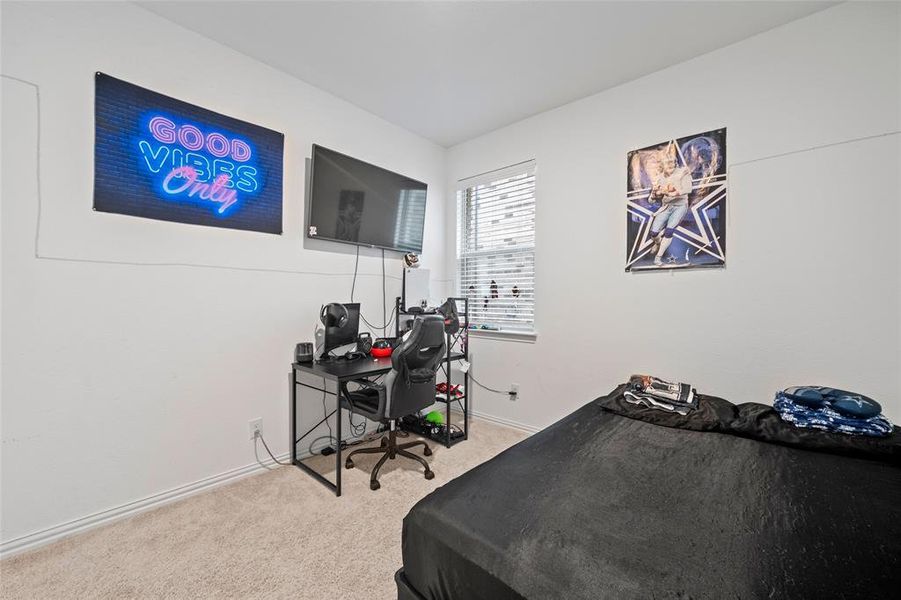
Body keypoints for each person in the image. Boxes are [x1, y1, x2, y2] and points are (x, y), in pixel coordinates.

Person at [648, 155, 693, 265]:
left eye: (672, 162)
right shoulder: (659, 178)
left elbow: (688, 189)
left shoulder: (683, 172)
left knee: (669, 231)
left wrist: (670, 193)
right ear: (662, 165)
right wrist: (654, 194)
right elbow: (651, 201)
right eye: (667, 163)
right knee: (654, 233)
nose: (670, 165)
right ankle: (658, 243)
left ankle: (658, 258)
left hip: (680, 206)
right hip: (666, 206)